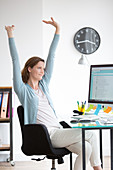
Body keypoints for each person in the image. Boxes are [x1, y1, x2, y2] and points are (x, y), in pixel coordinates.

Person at [5, 17, 102, 170]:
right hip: (47, 135)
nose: (43, 71)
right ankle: (99, 169)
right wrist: (10, 34)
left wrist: (57, 30)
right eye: (39, 68)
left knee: (86, 148)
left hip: (58, 130)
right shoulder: (23, 90)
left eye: (44, 68)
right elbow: (15, 60)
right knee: (91, 135)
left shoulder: (44, 85)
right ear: (30, 69)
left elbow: (52, 55)